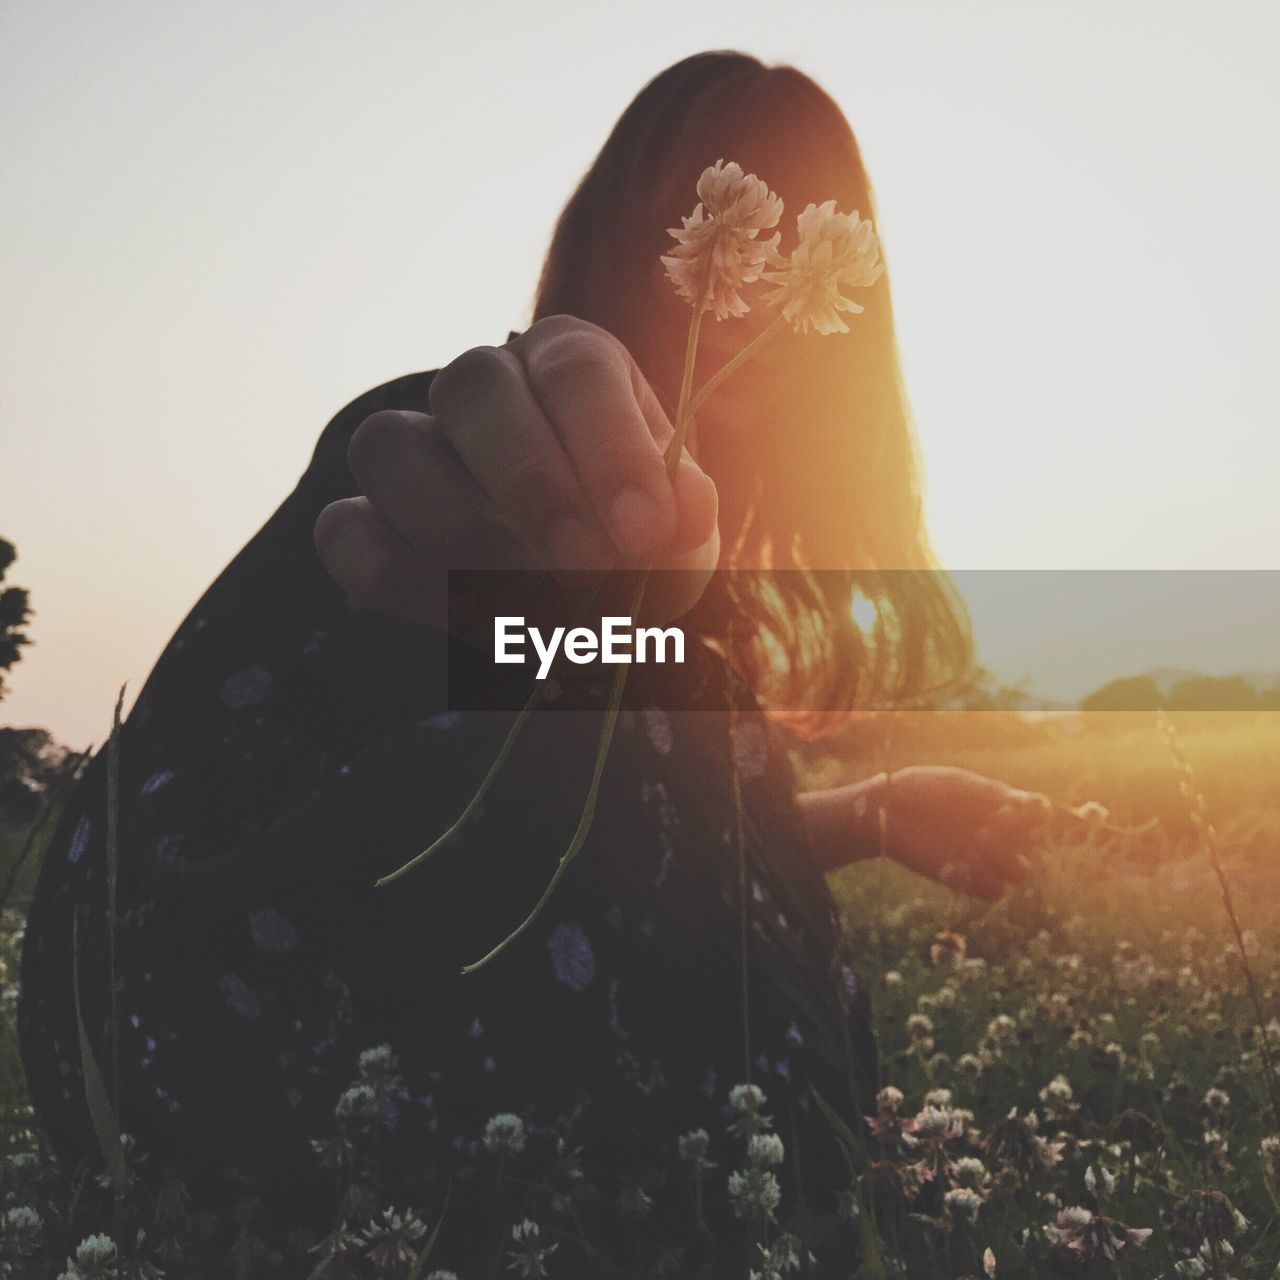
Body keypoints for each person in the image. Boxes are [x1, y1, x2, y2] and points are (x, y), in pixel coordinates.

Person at [18, 51, 1068, 1276]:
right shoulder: (505, 442)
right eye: (736, 218)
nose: (762, 276)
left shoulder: (687, 635)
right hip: (200, 1026)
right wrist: (481, 477)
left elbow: (620, 814)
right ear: (642, 231)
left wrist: (878, 808)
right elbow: (450, 723)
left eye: (809, 236)